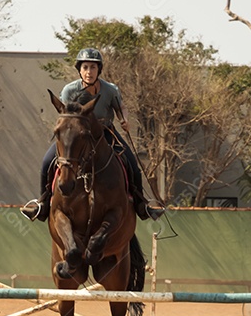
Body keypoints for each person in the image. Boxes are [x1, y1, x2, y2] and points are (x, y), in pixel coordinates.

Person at [21, 48, 164, 222]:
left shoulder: (110, 90)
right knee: (46, 161)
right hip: (78, 135)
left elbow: (121, 107)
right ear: (79, 70)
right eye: (86, 67)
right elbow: (65, 115)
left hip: (105, 131)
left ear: (99, 70)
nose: (89, 72)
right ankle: (42, 204)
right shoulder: (69, 91)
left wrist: (124, 120)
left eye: (93, 67)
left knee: (131, 161)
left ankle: (142, 205)